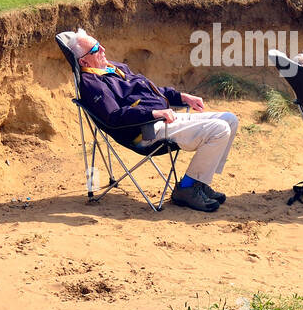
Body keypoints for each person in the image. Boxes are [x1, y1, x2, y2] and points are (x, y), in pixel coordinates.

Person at [62, 30, 238, 212]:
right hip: (145, 131)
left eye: (99, 44)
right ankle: (187, 188)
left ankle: (200, 183)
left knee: (230, 120)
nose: (103, 49)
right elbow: (114, 117)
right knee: (219, 129)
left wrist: (182, 97)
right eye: (96, 49)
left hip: (163, 118)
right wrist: (152, 113)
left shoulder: (114, 68)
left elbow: (151, 91)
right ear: (83, 61)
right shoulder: (92, 84)